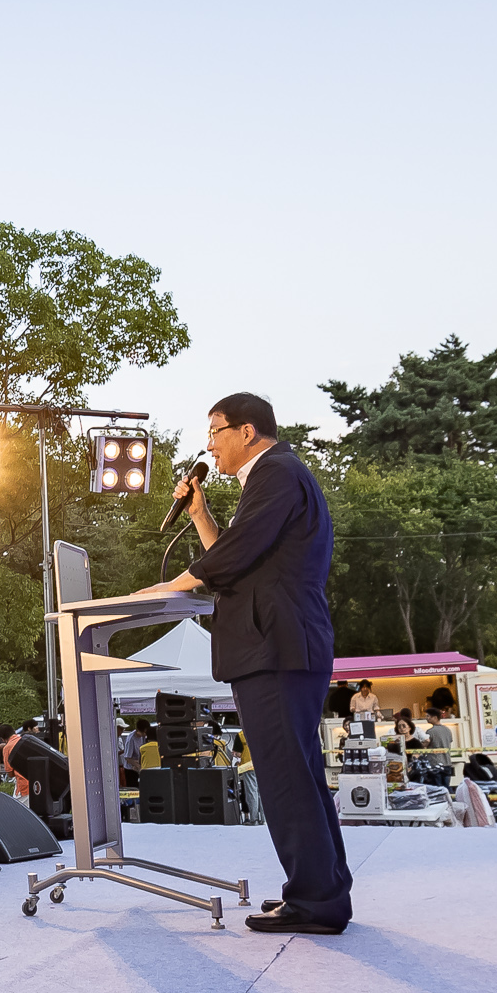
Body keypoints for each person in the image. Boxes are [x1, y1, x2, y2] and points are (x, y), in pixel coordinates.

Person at [136, 392, 352, 934]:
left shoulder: (276, 472)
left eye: (215, 431)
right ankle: (321, 889)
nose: (209, 444)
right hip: (279, 644)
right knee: (296, 774)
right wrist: (201, 513)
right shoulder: (274, 478)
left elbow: (229, 559)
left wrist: (173, 584)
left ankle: (316, 900)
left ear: (247, 431)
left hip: (277, 645)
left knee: (286, 778)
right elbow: (238, 556)